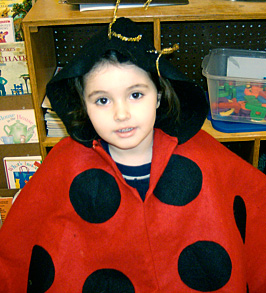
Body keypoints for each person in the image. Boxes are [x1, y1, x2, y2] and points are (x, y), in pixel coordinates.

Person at [0, 17, 266, 293]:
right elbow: (16, 244)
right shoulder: (65, 162)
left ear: (159, 95)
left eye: (136, 95)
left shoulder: (203, 153)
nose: (121, 114)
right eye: (102, 100)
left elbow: (257, 206)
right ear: (84, 106)